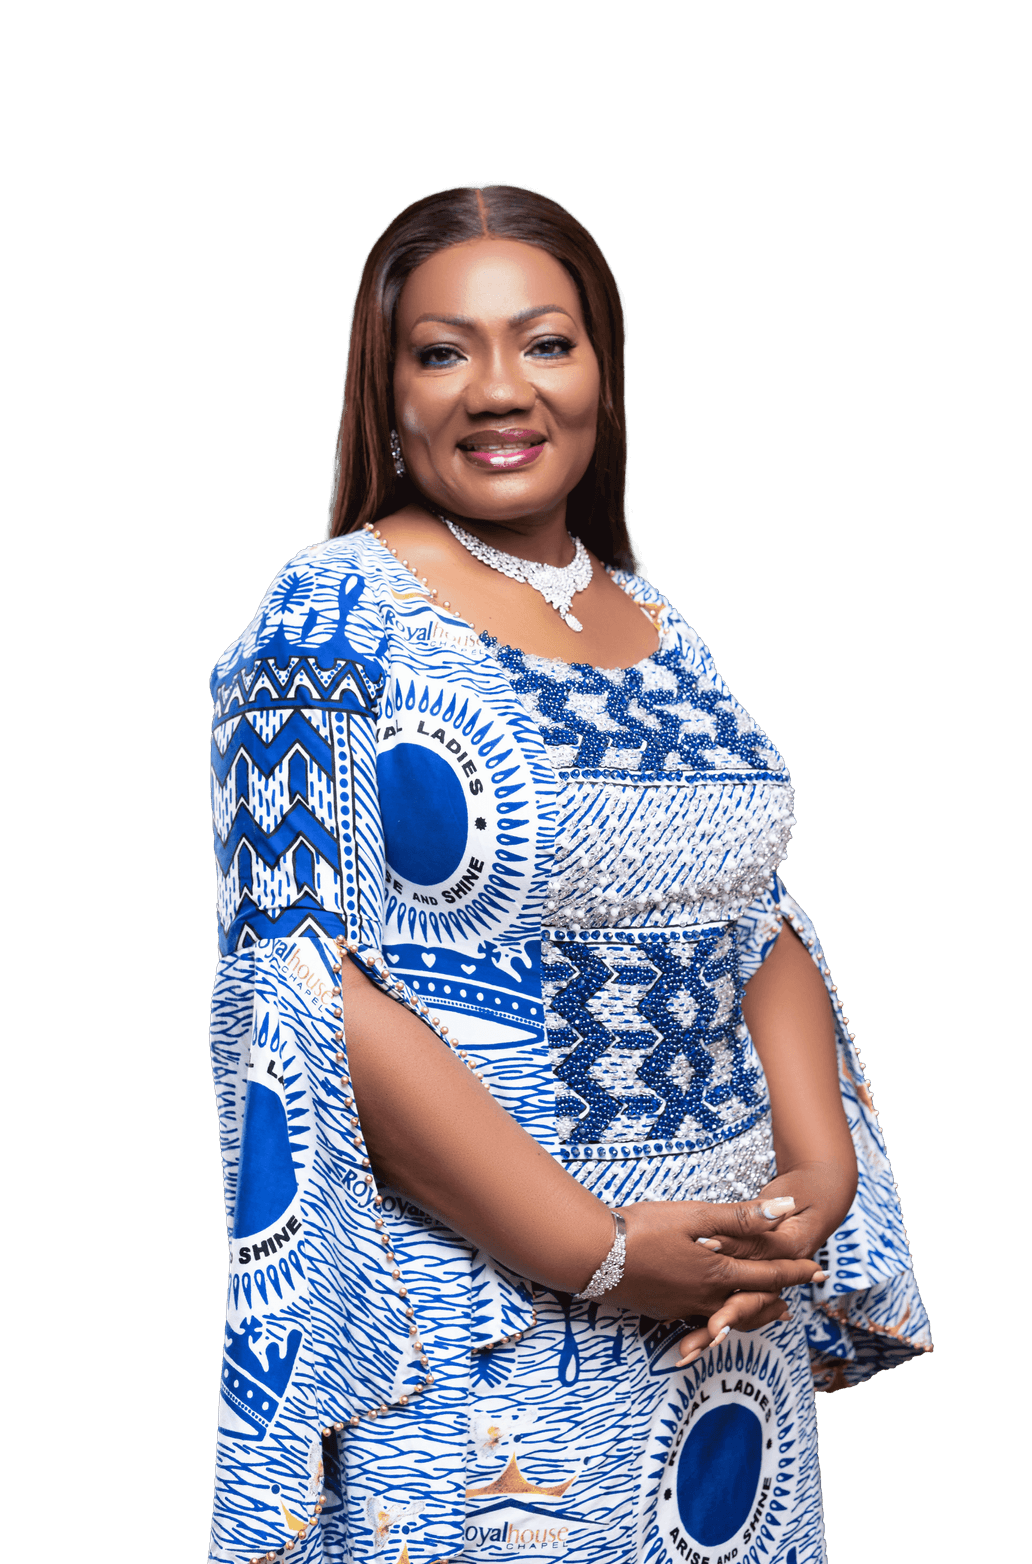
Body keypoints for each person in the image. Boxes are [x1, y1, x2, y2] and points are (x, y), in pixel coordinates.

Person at [206, 186, 931, 1564]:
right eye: (441, 351)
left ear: (602, 369)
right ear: (387, 387)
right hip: (488, 1325)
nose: (498, 390)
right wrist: (594, 1245)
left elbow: (751, 906)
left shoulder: (655, 617)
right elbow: (302, 988)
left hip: (727, 1320)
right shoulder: (328, 617)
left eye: (545, 343)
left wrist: (815, 1178)